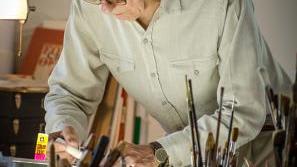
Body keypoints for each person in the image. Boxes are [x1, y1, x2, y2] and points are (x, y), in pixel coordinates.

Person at [44, 0, 291, 166]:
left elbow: (243, 112)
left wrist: (159, 152)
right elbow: (68, 93)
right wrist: (63, 127)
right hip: (186, 151)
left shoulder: (219, 5)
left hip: (271, 146)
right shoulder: (89, 7)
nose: (106, 10)